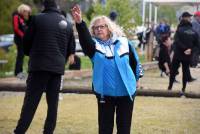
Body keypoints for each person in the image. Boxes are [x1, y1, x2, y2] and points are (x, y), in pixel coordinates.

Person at [71, 5, 142, 134]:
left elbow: (135, 61)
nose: (98, 29)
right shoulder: (94, 47)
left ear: (108, 27)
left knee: (124, 129)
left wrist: (137, 79)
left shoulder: (124, 42)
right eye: (95, 28)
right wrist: (80, 23)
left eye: (101, 26)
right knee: (105, 129)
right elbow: (85, 41)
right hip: (105, 94)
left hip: (126, 92)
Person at [13, 0, 75, 133]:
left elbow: (26, 41)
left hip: (39, 66)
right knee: (53, 106)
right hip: (57, 68)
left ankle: (19, 131)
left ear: (43, 7)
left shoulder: (37, 19)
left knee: (30, 104)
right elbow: (70, 46)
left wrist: (30, 53)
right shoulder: (68, 24)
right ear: (57, 7)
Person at [168, 12, 199, 95]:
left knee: (173, 71)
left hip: (178, 54)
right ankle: (183, 88)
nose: (190, 19)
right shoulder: (193, 31)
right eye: (189, 17)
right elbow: (197, 45)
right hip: (187, 55)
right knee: (185, 71)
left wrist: (185, 49)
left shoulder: (179, 30)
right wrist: (190, 50)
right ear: (186, 18)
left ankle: (170, 87)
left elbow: (176, 41)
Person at [12, 4, 31, 79]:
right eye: (26, 12)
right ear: (22, 11)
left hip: (23, 39)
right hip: (19, 39)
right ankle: (18, 72)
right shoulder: (16, 16)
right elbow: (16, 28)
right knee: (20, 55)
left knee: (22, 55)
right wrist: (23, 36)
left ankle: (20, 71)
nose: (27, 14)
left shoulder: (22, 18)